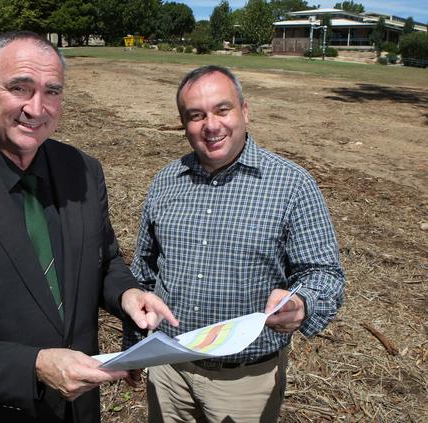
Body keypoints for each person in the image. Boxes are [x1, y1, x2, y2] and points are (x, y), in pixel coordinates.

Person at [0, 31, 177, 423]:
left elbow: (104, 259)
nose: (36, 108)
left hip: (76, 412)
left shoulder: (84, 171)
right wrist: (34, 367)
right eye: (20, 88)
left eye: (51, 91)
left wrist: (126, 294)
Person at [124, 65, 345, 422]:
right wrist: (134, 344)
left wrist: (301, 303)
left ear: (245, 111)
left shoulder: (291, 186)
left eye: (222, 109)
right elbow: (144, 272)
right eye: (196, 115)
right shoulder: (166, 181)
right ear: (183, 124)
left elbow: (324, 273)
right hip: (168, 370)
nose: (211, 126)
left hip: (244, 382)